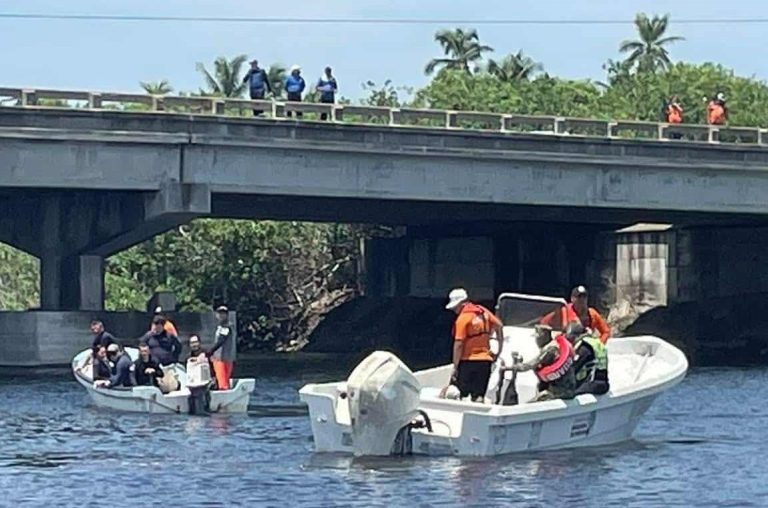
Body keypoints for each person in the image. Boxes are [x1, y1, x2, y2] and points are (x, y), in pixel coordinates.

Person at [444, 288, 504, 403]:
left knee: (457, 393)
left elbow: (459, 344)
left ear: (461, 304)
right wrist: (499, 350)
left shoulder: (462, 319)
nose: (454, 311)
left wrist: (455, 366)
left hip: (467, 362)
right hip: (485, 362)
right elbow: (499, 325)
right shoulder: (483, 312)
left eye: (455, 308)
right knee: (479, 395)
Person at [507, 324, 576, 402]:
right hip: (552, 385)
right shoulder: (548, 346)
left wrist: (510, 368)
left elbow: (531, 364)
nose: (536, 340)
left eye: (538, 337)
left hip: (561, 390)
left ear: (545, 336)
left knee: (532, 403)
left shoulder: (552, 349)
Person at [567, 322, 610, 396]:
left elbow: (574, 368)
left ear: (576, 336)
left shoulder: (584, 348)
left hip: (594, 384)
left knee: (568, 393)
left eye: (571, 339)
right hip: (602, 382)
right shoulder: (594, 342)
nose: (570, 342)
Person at [209, 306, 237, 390]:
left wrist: (210, 351)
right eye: (220, 313)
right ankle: (224, 391)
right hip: (224, 358)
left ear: (227, 315)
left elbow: (221, 340)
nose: (221, 315)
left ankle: (223, 395)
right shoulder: (220, 326)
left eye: (224, 313)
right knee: (223, 380)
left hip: (221, 359)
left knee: (222, 381)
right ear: (216, 315)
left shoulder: (227, 326)